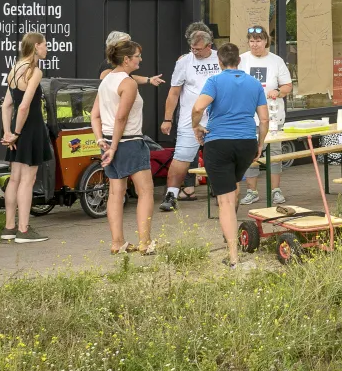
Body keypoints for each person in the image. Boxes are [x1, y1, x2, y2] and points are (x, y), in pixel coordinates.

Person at [190, 42, 268, 268]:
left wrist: (196, 126)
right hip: (246, 143)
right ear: (240, 61)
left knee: (224, 201)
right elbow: (264, 119)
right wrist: (260, 143)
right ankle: (230, 234)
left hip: (219, 143)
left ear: (219, 62)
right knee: (234, 187)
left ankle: (233, 256)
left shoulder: (214, 81)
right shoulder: (254, 83)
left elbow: (197, 108)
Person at [97, 39, 157, 255]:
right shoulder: (128, 82)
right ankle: (145, 242)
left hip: (108, 142)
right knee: (146, 191)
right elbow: (121, 118)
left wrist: (103, 142)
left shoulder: (106, 81)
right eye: (137, 56)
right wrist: (114, 146)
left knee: (115, 193)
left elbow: (95, 115)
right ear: (126, 59)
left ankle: (117, 243)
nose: (140, 59)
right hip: (129, 142)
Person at [159, 24, 219, 212]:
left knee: (219, 156)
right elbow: (174, 92)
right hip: (190, 118)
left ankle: (223, 192)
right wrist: (167, 119)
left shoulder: (220, 58)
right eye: (192, 48)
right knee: (182, 156)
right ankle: (171, 194)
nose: (195, 52)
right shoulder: (184, 61)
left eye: (198, 49)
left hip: (217, 116)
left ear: (209, 45)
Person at [0, 32, 49, 244]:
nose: (47, 49)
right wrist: (17, 133)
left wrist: (8, 133)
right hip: (30, 129)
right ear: (36, 46)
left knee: (15, 179)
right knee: (28, 180)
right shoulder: (34, 71)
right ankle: (24, 230)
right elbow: (24, 106)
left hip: (16, 131)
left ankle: (9, 227)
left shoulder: (14, 69)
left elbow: (6, 105)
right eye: (45, 45)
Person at [238, 24, 291, 206]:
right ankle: (252, 191)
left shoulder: (276, 61)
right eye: (251, 41)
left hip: (273, 117)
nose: (255, 44)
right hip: (248, 117)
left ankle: (276, 190)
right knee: (251, 154)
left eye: (258, 41)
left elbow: (287, 86)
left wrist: (277, 91)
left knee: (275, 153)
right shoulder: (241, 60)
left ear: (266, 41)